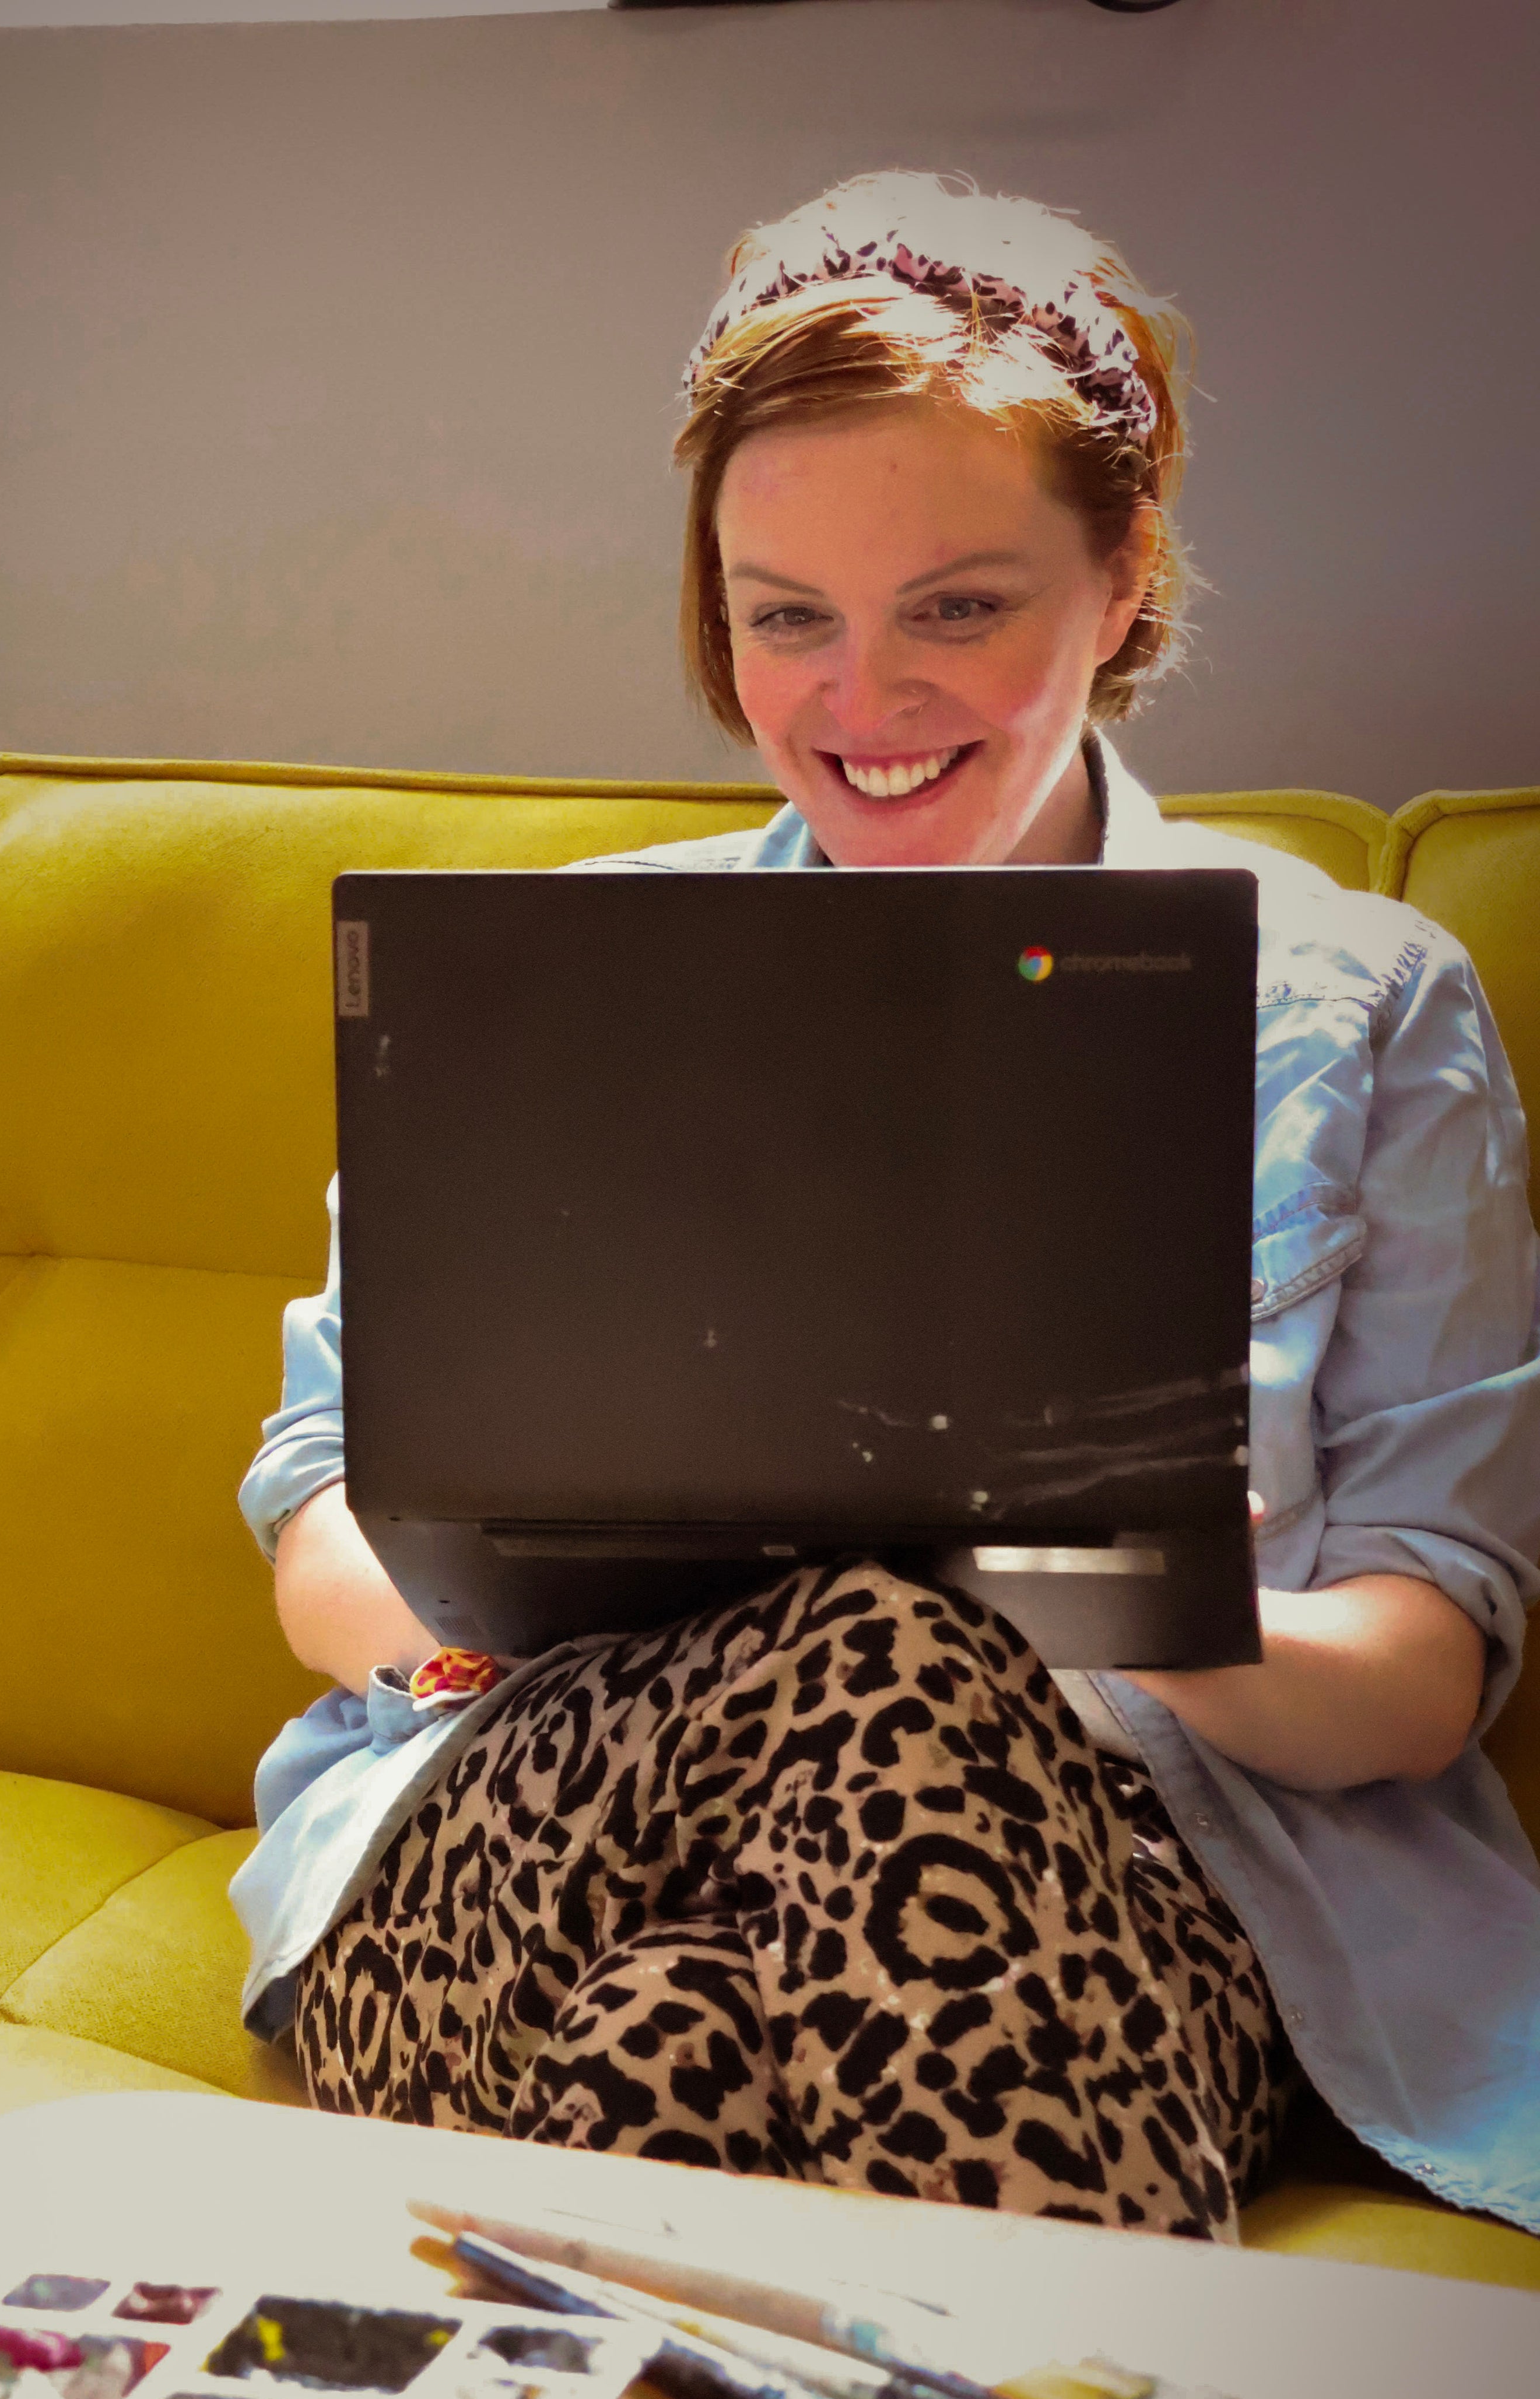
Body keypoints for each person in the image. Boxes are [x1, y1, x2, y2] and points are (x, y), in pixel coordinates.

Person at [233, 170, 1540, 2243]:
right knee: (859, 1641)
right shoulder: (563, 988)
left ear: (1121, 584)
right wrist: (531, 1624)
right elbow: (325, 1508)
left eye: (958, 605)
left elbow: (1419, 1668)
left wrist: (1064, 1590)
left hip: (1104, 1892)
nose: (865, 703)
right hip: (529, 1840)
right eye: (786, 619)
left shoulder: (1365, 1008)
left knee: (698, 2006)